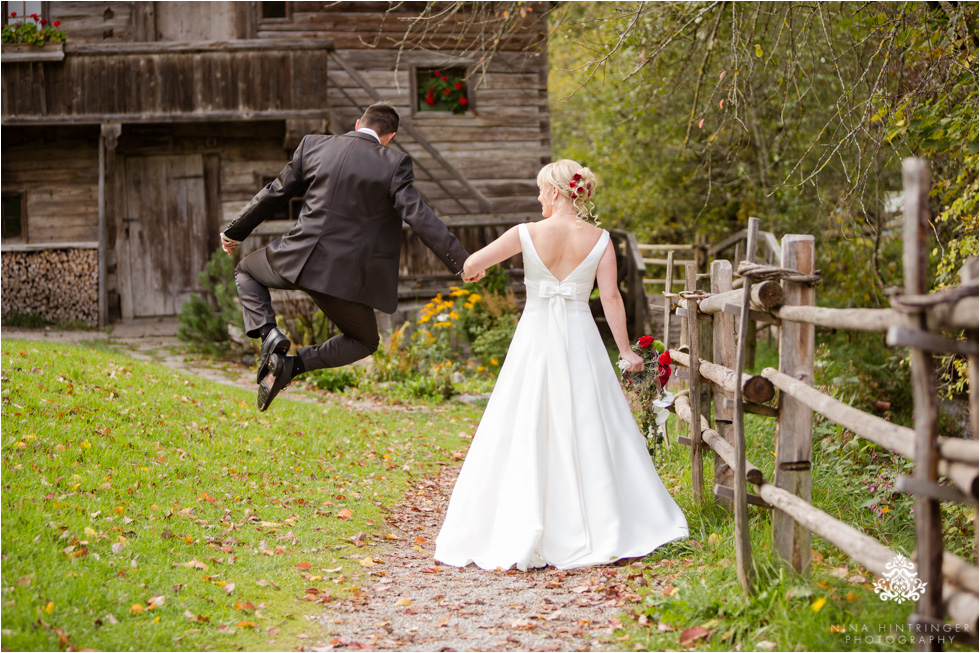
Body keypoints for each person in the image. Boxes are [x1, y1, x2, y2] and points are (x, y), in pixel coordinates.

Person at [434, 160, 688, 571]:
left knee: (524, 418)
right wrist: (625, 351)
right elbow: (610, 300)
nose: (537, 198)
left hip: (534, 340)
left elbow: (471, 264)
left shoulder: (525, 233)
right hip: (580, 340)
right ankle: (599, 518)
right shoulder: (602, 240)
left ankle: (519, 520)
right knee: (589, 420)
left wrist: (472, 271)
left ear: (555, 192)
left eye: (540, 191)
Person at [221, 101, 482, 411]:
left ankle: (268, 334)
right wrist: (462, 261)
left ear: (359, 123)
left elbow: (276, 191)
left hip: (293, 258)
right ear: (390, 136)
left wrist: (235, 231)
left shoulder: (313, 145)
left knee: (247, 271)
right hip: (340, 278)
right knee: (365, 341)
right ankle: (294, 365)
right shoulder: (393, 164)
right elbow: (420, 216)